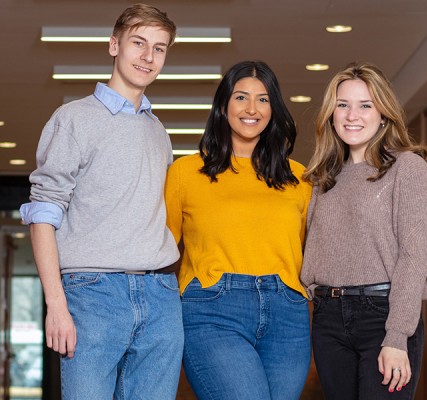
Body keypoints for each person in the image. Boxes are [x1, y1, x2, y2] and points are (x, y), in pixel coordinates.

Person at [19, 4, 183, 399]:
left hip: (160, 295)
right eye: (138, 43)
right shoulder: (73, 119)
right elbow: (43, 212)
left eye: (159, 48)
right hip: (92, 293)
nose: (148, 57)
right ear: (114, 45)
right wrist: (55, 303)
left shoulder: (158, 130)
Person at [164, 60, 312, 400]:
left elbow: (312, 253)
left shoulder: (299, 178)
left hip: (287, 313)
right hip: (212, 310)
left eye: (263, 99)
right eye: (241, 97)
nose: (252, 108)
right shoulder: (186, 172)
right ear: (223, 106)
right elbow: (160, 252)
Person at [301, 62, 427, 400]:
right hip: (329, 318)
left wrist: (397, 335)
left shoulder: (407, 168)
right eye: (342, 105)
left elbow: (415, 256)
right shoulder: (322, 178)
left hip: (383, 314)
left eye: (366, 105)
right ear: (331, 114)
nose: (352, 115)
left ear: (384, 114)